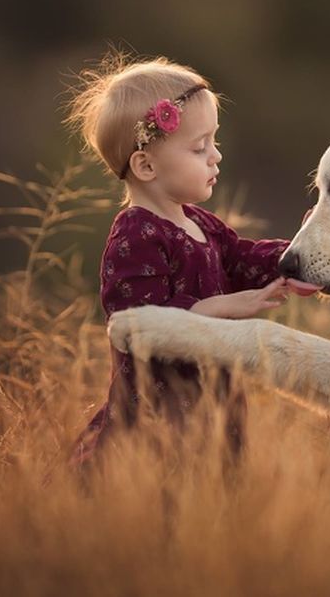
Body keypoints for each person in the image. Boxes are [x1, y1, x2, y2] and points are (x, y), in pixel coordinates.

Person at [63, 54, 305, 468]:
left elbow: (241, 259)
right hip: (155, 419)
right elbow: (136, 323)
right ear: (145, 165)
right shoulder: (135, 235)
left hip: (214, 406)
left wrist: (296, 255)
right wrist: (224, 306)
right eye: (199, 147)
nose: (216, 157)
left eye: (215, 141)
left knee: (209, 509)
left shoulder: (200, 223)